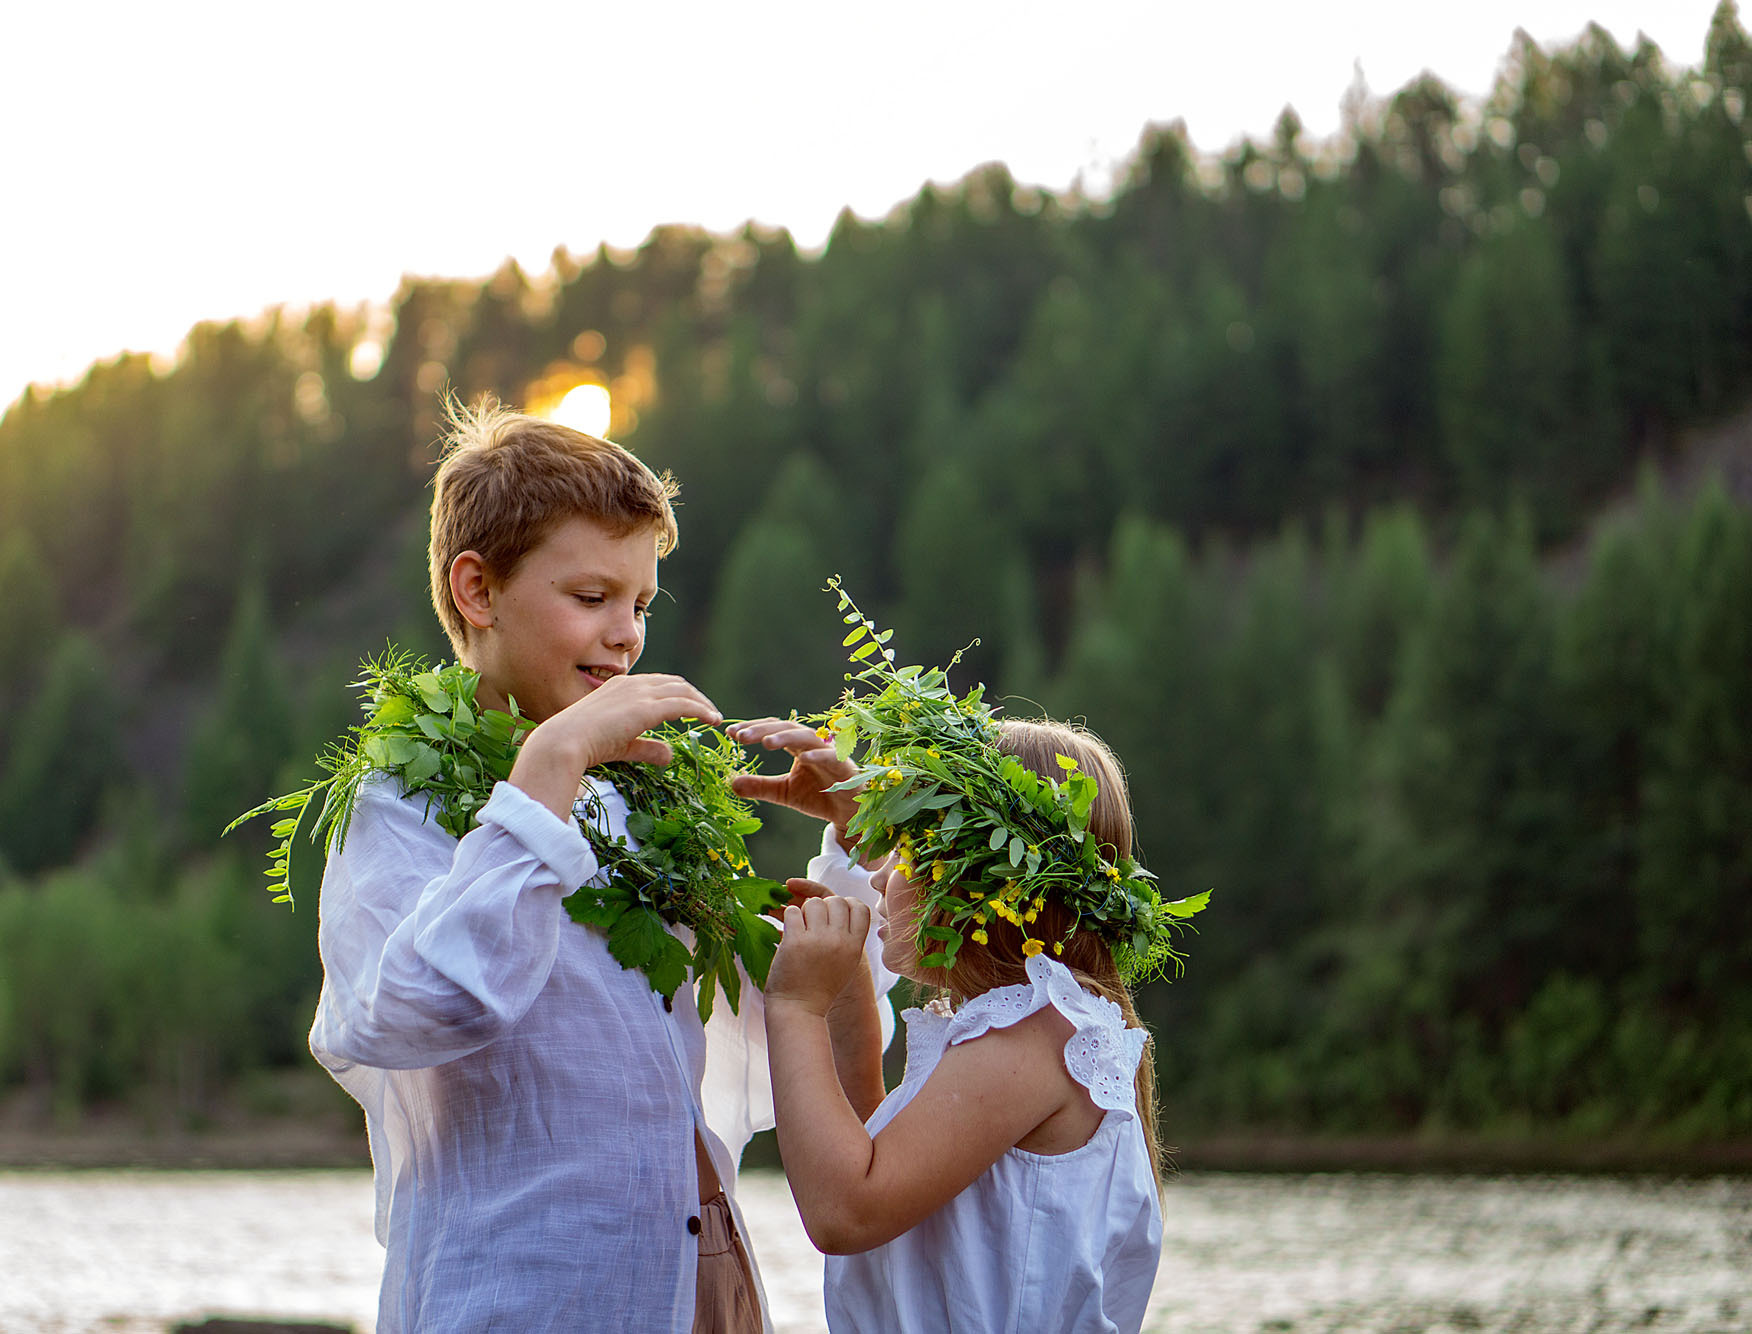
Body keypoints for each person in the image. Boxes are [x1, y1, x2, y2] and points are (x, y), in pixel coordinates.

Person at [308, 399, 887, 1333]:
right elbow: (416, 1011)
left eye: (642, 603)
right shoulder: (396, 802)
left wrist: (855, 852)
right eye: (592, 599)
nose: (627, 635)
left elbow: (798, 1045)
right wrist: (543, 775)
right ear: (477, 590)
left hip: (695, 1272)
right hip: (526, 1289)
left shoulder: (640, 800)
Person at [735, 715, 1165, 1334]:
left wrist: (795, 1006)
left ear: (977, 884)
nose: (880, 875)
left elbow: (846, 1214)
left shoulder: (1031, 1037)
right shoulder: (1030, 1027)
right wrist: (848, 992)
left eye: (906, 852)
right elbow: (878, 1165)